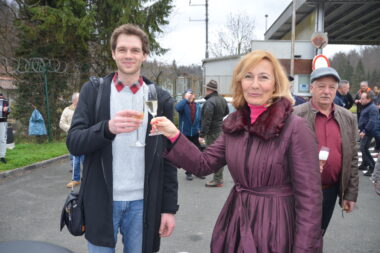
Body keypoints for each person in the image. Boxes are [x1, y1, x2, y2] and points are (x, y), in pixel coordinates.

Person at [152, 50, 323, 252]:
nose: (255, 84)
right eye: (248, 76)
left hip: (276, 226)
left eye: (264, 77)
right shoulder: (236, 125)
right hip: (236, 221)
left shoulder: (295, 128)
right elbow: (203, 164)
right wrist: (174, 135)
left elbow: (310, 200)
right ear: (240, 82)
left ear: (276, 84)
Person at [66, 24, 178, 253]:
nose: (129, 55)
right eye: (123, 49)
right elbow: (74, 142)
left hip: (143, 204)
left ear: (144, 55)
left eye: (135, 50)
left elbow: (168, 159)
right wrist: (107, 129)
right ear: (113, 53)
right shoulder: (94, 91)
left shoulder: (159, 97)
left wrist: (168, 209)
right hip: (102, 200)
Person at [293, 67, 359, 235]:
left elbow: (352, 158)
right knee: (295, 235)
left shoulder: (347, 118)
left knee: (318, 235)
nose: (326, 91)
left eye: (331, 87)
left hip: (329, 190)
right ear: (311, 88)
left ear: (337, 90)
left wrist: (350, 194)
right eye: (321, 86)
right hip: (299, 191)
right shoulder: (295, 116)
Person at [199, 80, 229, 187]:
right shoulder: (222, 99)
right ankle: (218, 178)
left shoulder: (209, 102)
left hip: (212, 132)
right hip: (220, 130)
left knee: (215, 156)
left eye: (206, 89)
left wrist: (202, 135)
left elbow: (206, 121)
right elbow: (226, 112)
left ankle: (217, 180)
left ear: (208, 89)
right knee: (219, 155)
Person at [175, 89, 203, 181]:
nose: (191, 96)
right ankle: (189, 172)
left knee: (198, 153)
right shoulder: (183, 106)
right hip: (185, 133)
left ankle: (198, 171)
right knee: (188, 154)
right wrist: (186, 99)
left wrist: (200, 130)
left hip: (195, 133)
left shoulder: (198, 106)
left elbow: (199, 119)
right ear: (185, 97)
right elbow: (177, 108)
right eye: (189, 95)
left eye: (192, 95)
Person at [59, 92, 84, 188]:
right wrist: (71, 129)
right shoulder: (67, 110)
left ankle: (87, 179)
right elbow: (61, 123)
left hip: (83, 137)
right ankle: (75, 180)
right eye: (79, 100)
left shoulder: (85, 109)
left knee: (85, 159)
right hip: (72, 138)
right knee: (74, 160)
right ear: (74, 101)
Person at [358, 92, 380, 176]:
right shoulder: (366, 106)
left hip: (368, 132)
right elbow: (364, 118)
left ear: (369, 99)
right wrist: (360, 128)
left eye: (363, 98)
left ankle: (372, 166)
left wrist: (365, 131)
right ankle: (364, 164)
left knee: (363, 148)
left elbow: (372, 121)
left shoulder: (372, 108)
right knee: (364, 148)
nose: (361, 100)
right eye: (361, 98)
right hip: (364, 131)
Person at [0, 93, 10, 163]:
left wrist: (7, 109)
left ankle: (2, 156)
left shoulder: (5, 101)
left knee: (2, 139)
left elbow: (9, 111)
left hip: (2, 122)